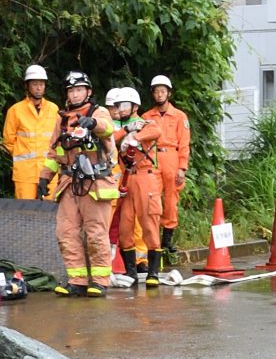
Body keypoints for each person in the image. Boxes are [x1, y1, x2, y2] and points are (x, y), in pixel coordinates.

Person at [47, 73, 122, 297]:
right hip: (70, 182)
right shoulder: (62, 119)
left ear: (88, 91)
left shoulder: (98, 112)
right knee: (66, 232)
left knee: (96, 233)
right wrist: (44, 177)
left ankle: (99, 281)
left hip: (95, 182)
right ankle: (77, 280)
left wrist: (93, 123)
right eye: (71, 91)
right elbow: (54, 152)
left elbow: (108, 129)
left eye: (79, 90)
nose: (75, 94)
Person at [105, 87, 160, 287]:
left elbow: (156, 130)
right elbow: (110, 139)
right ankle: (131, 272)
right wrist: (127, 132)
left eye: (125, 105)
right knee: (125, 226)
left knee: (148, 223)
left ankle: (153, 271)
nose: (121, 109)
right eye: (118, 106)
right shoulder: (118, 128)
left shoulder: (144, 122)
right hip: (126, 180)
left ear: (134, 106)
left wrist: (136, 136)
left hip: (145, 177)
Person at [147, 76, 194, 284]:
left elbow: (185, 144)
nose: (159, 94)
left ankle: (167, 240)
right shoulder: (147, 116)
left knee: (171, 199)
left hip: (173, 158)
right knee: (152, 199)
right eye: (156, 91)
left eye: (163, 91)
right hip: (154, 158)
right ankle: (154, 238)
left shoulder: (179, 116)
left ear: (169, 93)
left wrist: (182, 167)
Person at [3, 65, 60, 201]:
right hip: (25, 173)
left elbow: (59, 138)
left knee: (50, 212)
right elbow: (8, 141)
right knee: (25, 212)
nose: (39, 88)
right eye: (35, 84)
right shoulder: (15, 111)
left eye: (41, 84)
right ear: (27, 86)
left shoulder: (53, 109)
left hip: (49, 170)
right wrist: (22, 155)